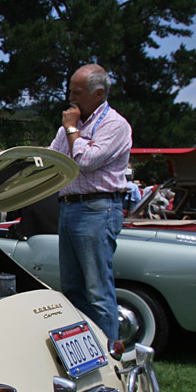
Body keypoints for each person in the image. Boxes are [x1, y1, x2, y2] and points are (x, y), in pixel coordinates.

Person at [49, 63, 132, 350]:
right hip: (70, 207)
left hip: (97, 209)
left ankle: (109, 352)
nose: (71, 98)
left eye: (78, 92)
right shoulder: (71, 126)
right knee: (72, 289)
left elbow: (85, 160)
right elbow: (53, 157)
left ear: (98, 94)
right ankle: (83, 351)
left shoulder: (114, 124)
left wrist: (72, 128)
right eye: (70, 90)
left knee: (97, 291)